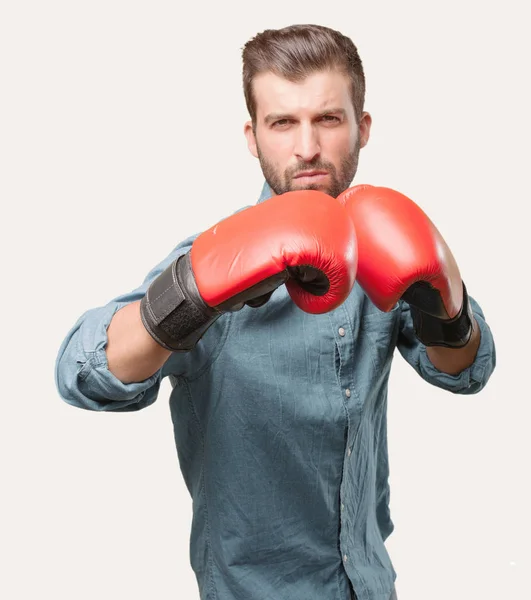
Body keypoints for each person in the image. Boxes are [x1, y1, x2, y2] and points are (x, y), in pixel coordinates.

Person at [54, 24, 496, 600]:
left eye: (328, 120)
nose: (306, 147)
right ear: (252, 135)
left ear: (362, 129)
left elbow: (468, 370)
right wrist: (189, 299)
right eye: (282, 122)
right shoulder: (216, 260)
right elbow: (80, 374)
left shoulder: (386, 248)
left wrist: (447, 306)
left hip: (371, 587)